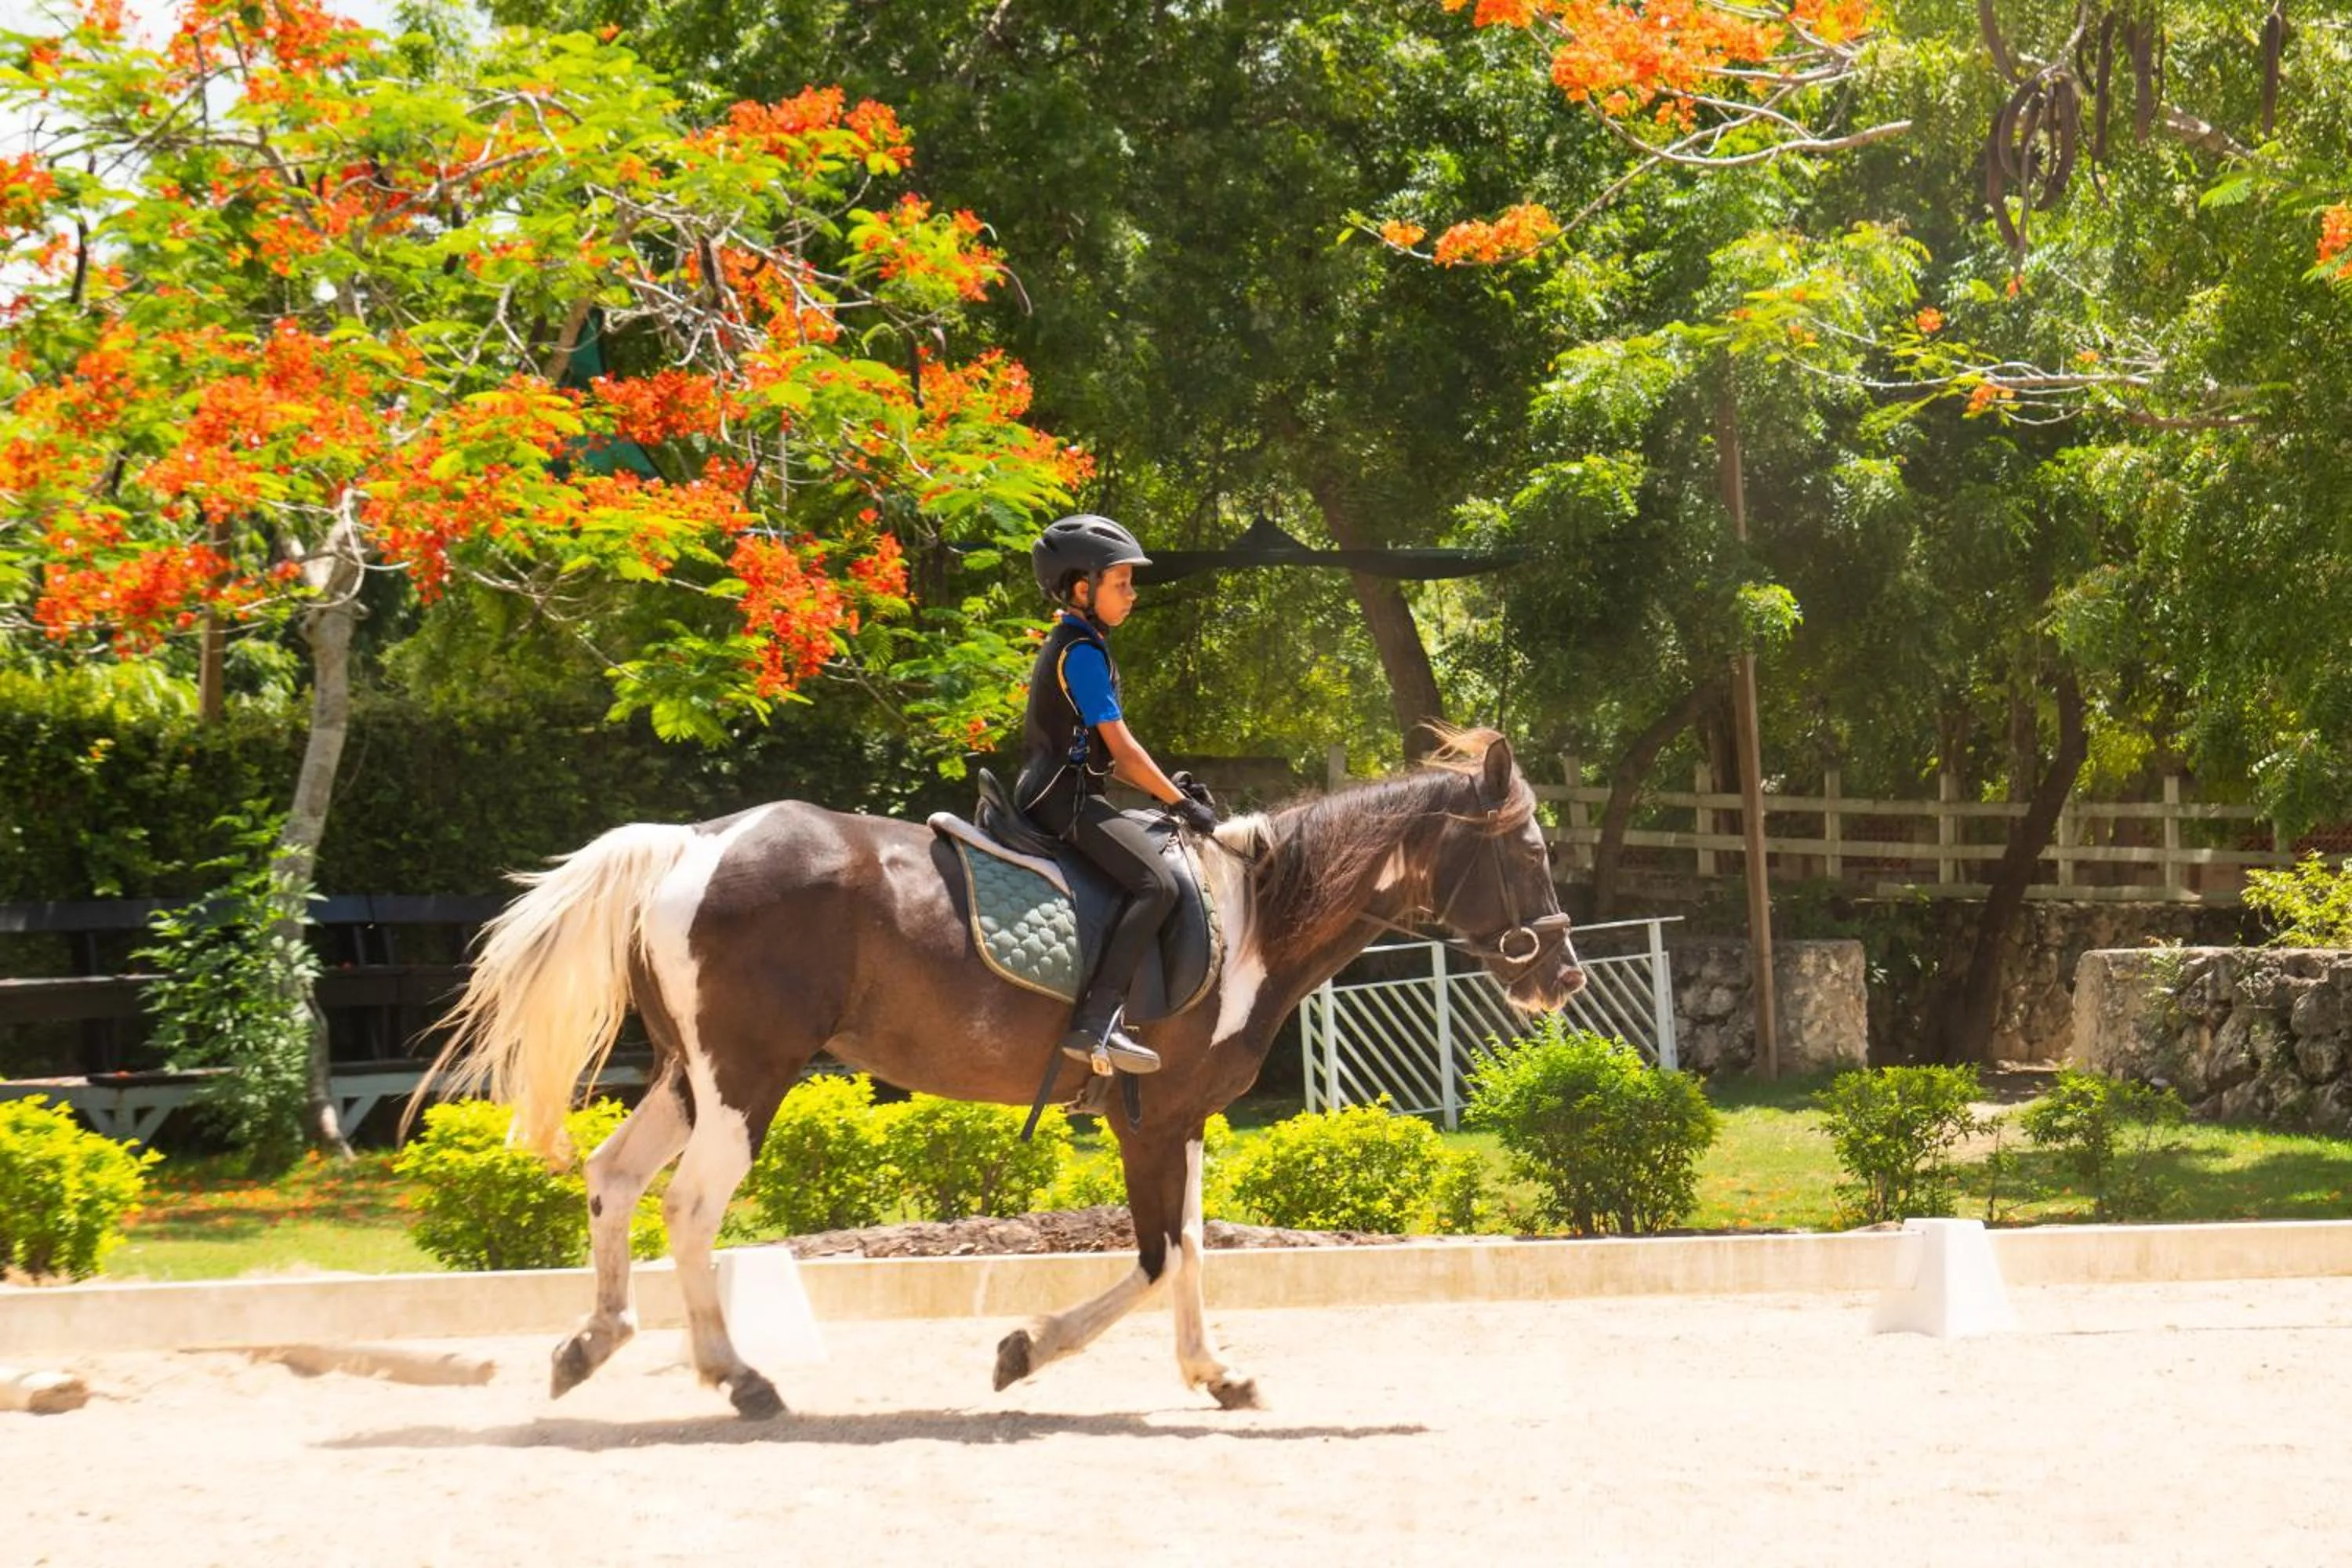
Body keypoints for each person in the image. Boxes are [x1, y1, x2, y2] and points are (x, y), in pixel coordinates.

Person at [1017, 514, 1218, 1076]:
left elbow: (1111, 757)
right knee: (1155, 884)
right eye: (1121, 583)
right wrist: (1184, 807)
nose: (1132, 594)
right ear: (1083, 588)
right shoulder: (1080, 654)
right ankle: (1097, 1021)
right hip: (1063, 801)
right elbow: (1124, 751)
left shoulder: (1081, 644)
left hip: (1071, 792)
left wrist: (1165, 790)